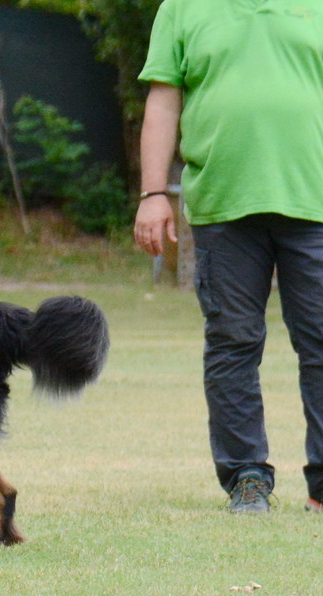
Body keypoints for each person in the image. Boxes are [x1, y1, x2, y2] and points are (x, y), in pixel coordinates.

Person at [133, 0, 323, 514]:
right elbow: (163, 102)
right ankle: (246, 477)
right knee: (233, 341)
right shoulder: (182, 8)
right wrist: (154, 194)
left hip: (316, 204)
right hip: (223, 206)